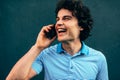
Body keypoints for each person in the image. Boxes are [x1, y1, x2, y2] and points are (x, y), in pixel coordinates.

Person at [6, 0, 109, 80]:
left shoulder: (98, 58)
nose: (59, 23)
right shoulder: (45, 54)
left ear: (81, 25)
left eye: (66, 18)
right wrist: (38, 47)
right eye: (57, 19)